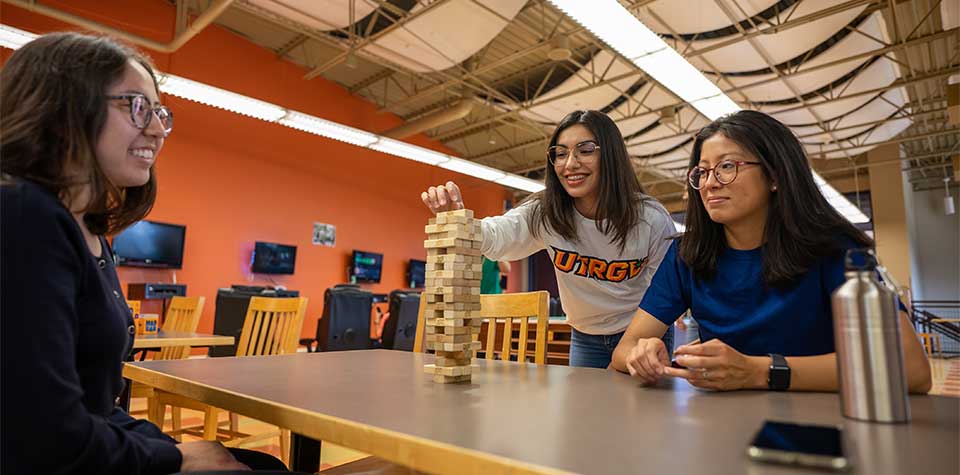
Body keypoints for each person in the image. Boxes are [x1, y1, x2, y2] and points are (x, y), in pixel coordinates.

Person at [0, 32, 289, 474]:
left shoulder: (91, 234)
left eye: (159, 112)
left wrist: (172, 447)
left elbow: (94, 405)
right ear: (64, 106)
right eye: (136, 107)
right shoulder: (25, 215)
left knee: (260, 464)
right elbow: (43, 435)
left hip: (83, 449)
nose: (156, 129)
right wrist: (173, 456)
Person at [610, 110, 932, 393]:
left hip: (824, 423)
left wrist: (758, 372)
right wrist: (643, 354)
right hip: (721, 429)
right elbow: (623, 351)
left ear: (774, 176)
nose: (710, 183)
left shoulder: (832, 251)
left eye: (727, 166)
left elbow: (911, 368)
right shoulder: (687, 255)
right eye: (703, 172)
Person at [421, 110, 675, 368]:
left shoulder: (651, 220)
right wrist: (460, 223)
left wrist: (625, 355)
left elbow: (666, 295)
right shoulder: (546, 212)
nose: (570, 164)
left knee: (642, 408)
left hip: (641, 334)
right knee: (584, 409)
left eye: (585, 150)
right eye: (561, 153)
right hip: (585, 337)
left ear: (610, 155)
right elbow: (499, 235)